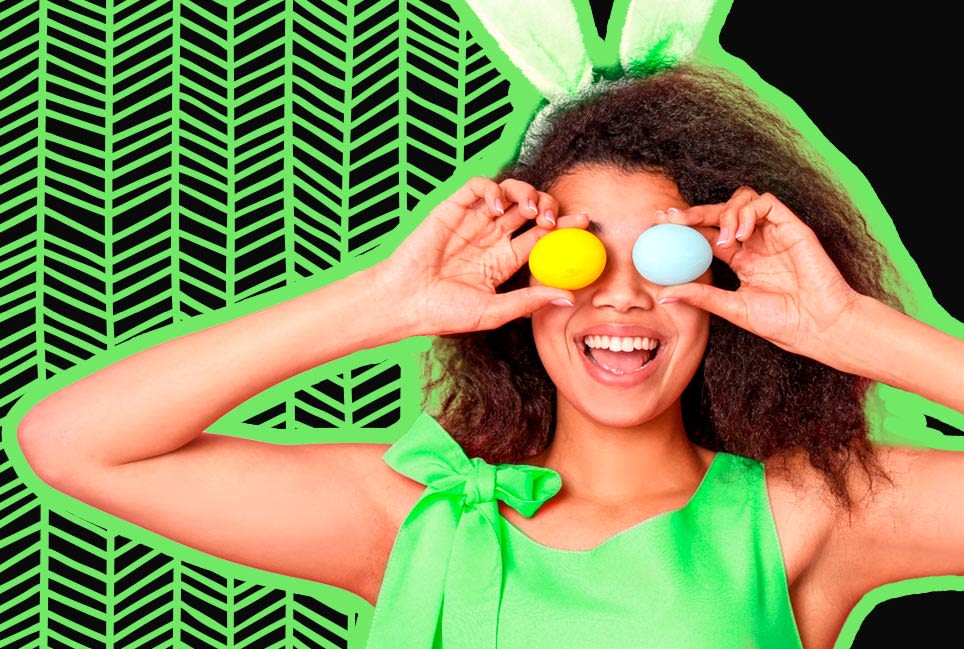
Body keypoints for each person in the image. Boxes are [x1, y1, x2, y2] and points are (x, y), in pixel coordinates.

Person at [15, 60, 964, 649]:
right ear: (521, 287)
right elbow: (72, 443)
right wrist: (380, 302)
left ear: (721, 292)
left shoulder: (809, 515)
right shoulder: (416, 514)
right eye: (580, 253)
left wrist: (849, 330)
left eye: (661, 256)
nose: (622, 295)